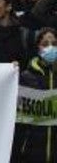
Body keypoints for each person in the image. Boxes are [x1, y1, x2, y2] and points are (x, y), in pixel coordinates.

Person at [15, 28, 57, 162]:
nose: (50, 48)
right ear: (38, 47)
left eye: (54, 44)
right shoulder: (26, 77)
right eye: (45, 44)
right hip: (32, 151)